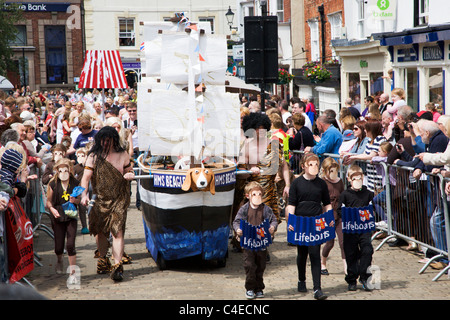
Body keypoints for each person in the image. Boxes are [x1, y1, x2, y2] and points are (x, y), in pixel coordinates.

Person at [80, 126, 135, 282]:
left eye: (108, 140)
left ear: (114, 140)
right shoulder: (93, 156)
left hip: (119, 198)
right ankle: (103, 259)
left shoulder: (122, 155)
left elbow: (129, 171)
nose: (105, 143)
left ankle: (117, 266)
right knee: (101, 232)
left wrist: (130, 174)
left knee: (117, 231)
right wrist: (83, 195)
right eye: (103, 140)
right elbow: (85, 178)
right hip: (100, 199)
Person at [286, 153, 332, 300]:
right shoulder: (296, 183)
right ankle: (301, 279)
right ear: (304, 166)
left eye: (316, 164)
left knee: (315, 254)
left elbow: (327, 203)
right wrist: (291, 222)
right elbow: (291, 204)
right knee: (302, 254)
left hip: (316, 222)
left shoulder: (321, 183)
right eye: (311, 164)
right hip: (300, 222)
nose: (314, 167)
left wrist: (329, 219)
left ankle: (317, 288)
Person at [233, 181, 277, 299]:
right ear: (248, 196)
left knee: (261, 265)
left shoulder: (265, 209)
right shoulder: (244, 209)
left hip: (261, 242)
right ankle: (250, 288)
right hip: (248, 242)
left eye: (259, 194)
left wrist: (272, 227)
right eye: (254, 194)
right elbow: (236, 221)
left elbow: (273, 220)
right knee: (249, 265)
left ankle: (259, 288)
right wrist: (238, 230)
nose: (257, 197)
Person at [337, 164, 374, 291]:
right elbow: (339, 210)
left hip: (364, 229)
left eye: (359, 178)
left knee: (367, 250)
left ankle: (364, 276)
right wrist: (348, 216)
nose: (357, 181)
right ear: (349, 179)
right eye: (354, 179)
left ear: (362, 178)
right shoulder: (345, 195)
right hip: (350, 230)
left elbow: (372, 209)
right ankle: (352, 279)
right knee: (351, 253)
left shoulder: (368, 193)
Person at [46, 158, 81, 279]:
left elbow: (80, 200)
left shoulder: (75, 183)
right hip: (58, 214)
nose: (63, 172)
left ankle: (72, 270)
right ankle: (59, 260)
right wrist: (52, 210)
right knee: (59, 245)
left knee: (70, 244)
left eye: (66, 169)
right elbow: (49, 202)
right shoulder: (53, 183)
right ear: (57, 170)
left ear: (70, 170)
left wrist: (75, 200)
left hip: (71, 214)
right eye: (60, 170)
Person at [319, 157, 345, 275]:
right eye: (331, 171)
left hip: (339, 214)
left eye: (335, 170)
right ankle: (323, 263)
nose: (334, 173)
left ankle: (346, 267)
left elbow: (343, 195)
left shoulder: (340, 182)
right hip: (328, 214)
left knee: (343, 242)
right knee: (330, 243)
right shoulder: (322, 182)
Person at [347, 119, 386, 192]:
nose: (364, 131)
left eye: (366, 129)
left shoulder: (380, 139)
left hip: (378, 175)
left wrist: (354, 157)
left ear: (371, 130)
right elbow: (364, 154)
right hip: (370, 175)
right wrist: (349, 155)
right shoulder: (369, 140)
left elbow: (371, 156)